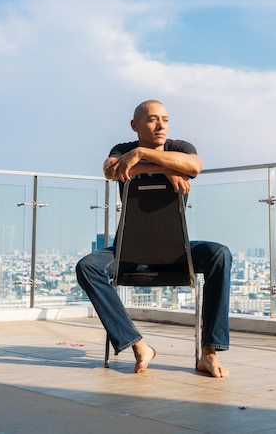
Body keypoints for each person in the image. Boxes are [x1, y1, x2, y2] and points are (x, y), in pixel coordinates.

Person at [76, 100, 232, 378]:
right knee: (87, 266)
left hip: (177, 253)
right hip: (127, 252)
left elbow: (194, 167)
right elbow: (112, 170)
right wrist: (166, 168)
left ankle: (209, 353)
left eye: (165, 119)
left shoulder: (180, 148)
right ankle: (137, 345)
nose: (160, 125)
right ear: (135, 126)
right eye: (151, 120)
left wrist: (141, 155)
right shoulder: (121, 150)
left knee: (220, 254)